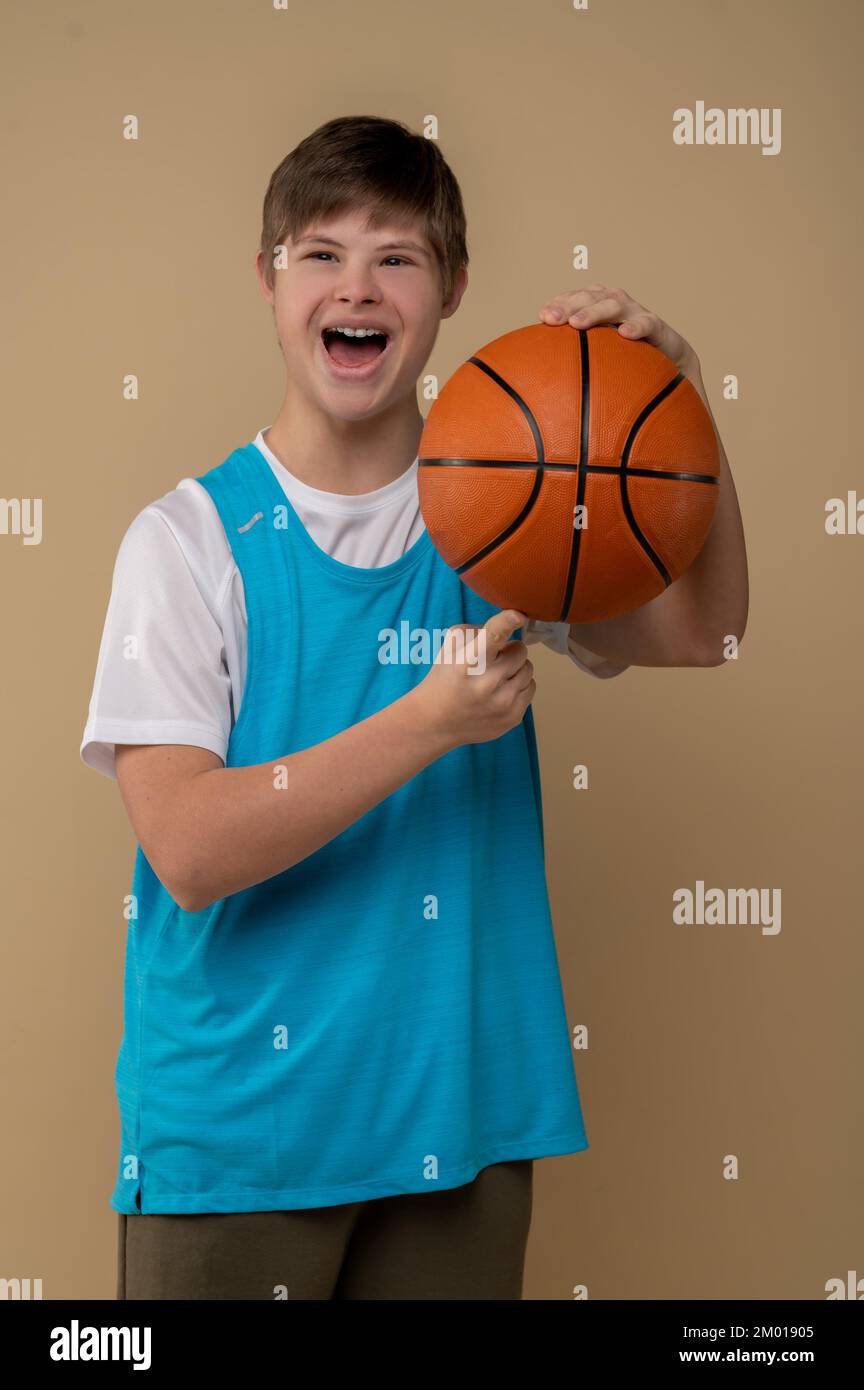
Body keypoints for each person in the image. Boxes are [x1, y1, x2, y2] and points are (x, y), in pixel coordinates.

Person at [81, 115, 745, 1300]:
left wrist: (678, 408)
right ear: (269, 278)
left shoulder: (511, 512)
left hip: (458, 1120)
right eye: (322, 252)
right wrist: (431, 721)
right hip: (241, 1138)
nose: (357, 285)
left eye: (398, 257)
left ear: (451, 291)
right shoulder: (185, 544)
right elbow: (185, 847)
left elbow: (707, 631)